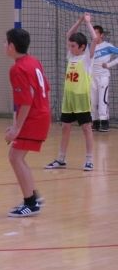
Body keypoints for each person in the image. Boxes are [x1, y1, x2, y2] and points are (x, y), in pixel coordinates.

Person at [4, 28, 51, 217]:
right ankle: (33, 196)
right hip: (41, 113)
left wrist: (17, 128)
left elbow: (26, 101)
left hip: (34, 117)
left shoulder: (17, 69)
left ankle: (30, 203)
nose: (4, 45)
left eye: (5, 42)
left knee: (15, 157)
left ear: (12, 46)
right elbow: (45, 90)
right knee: (17, 157)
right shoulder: (34, 61)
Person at [45, 13, 100, 171]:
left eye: (73, 46)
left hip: (81, 98)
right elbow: (69, 34)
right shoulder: (71, 56)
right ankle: (61, 159)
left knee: (86, 128)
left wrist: (88, 22)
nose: (70, 48)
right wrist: (79, 20)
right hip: (68, 98)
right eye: (70, 46)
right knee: (65, 128)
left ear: (82, 47)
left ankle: (89, 160)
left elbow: (95, 39)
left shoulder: (87, 58)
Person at [91, 24, 118, 132]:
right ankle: (95, 122)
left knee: (103, 99)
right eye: (92, 33)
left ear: (101, 35)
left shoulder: (108, 46)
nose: (94, 35)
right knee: (93, 101)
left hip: (103, 77)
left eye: (96, 33)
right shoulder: (90, 47)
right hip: (92, 77)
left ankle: (104, 122)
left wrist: (109, 64)